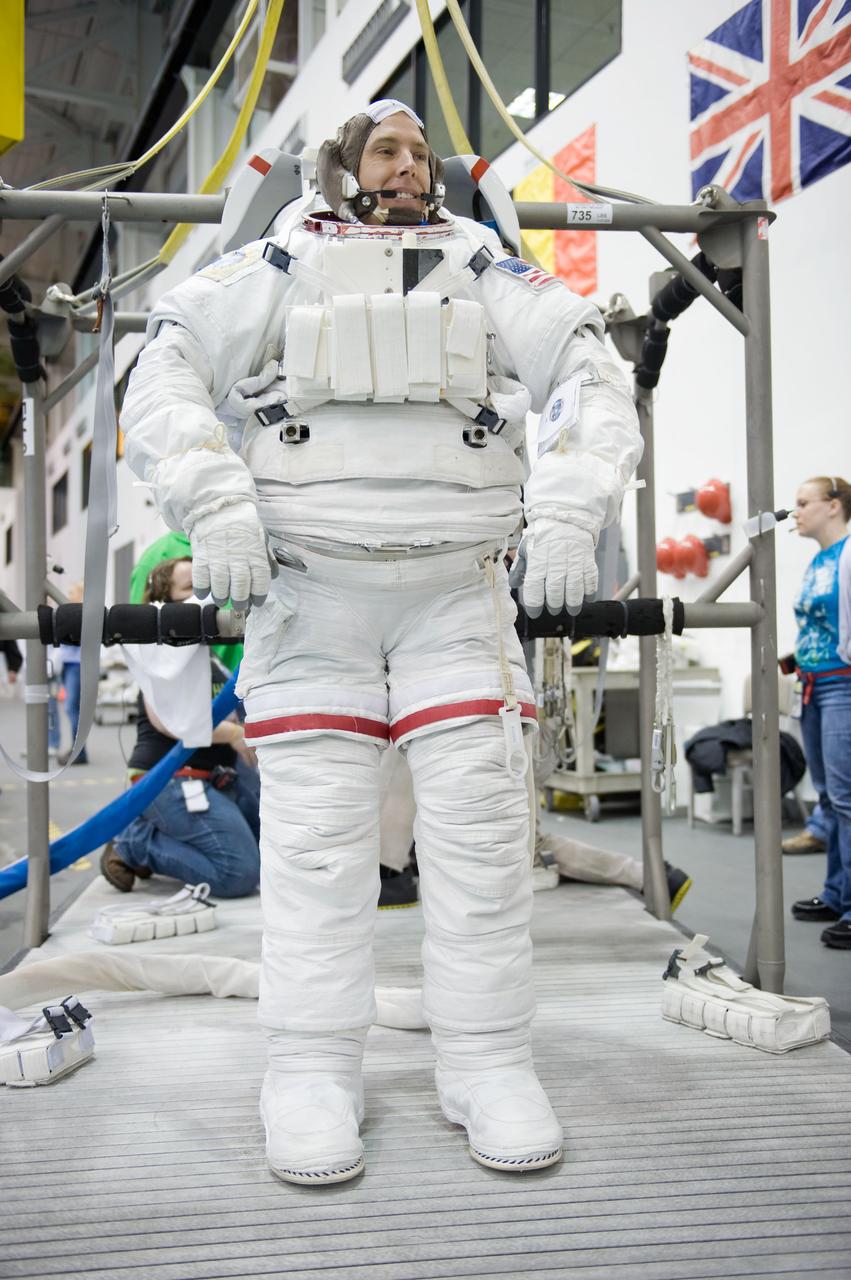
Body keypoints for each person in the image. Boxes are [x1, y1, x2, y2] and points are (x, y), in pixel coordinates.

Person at [121, 100, 642, 1183]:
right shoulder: (274, 265)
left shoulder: (486, 267)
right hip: (312, 599)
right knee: (314, 849)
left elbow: (591, 375)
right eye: (386, 150)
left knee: (484, 843)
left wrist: (568, 509)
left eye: (420, 151)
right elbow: (163, 371)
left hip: (458, 595)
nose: (410, 165)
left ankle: (488, 1057)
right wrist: (215, 503)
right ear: (338, 171)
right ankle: (309, 1067)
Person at [100, 557, 261, 899]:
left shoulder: (206, 654)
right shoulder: (158, 653)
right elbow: (167, 723)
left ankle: (154, 830)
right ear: (167, 604)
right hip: (171, 779)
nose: (207, 599)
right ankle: (134, 841)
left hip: (213, 776)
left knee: (269, 847)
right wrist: (233, 735)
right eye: (192, 590)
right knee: (239, 874)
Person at [788, 476, 851, 949]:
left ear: (834, 506)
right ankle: (835, 893)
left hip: (842, 685)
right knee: (828, 797)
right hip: (812, 684)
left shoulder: (849, 553)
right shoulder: (818, 561)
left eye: (803, 503)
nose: (796, 512)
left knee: (846, 799)